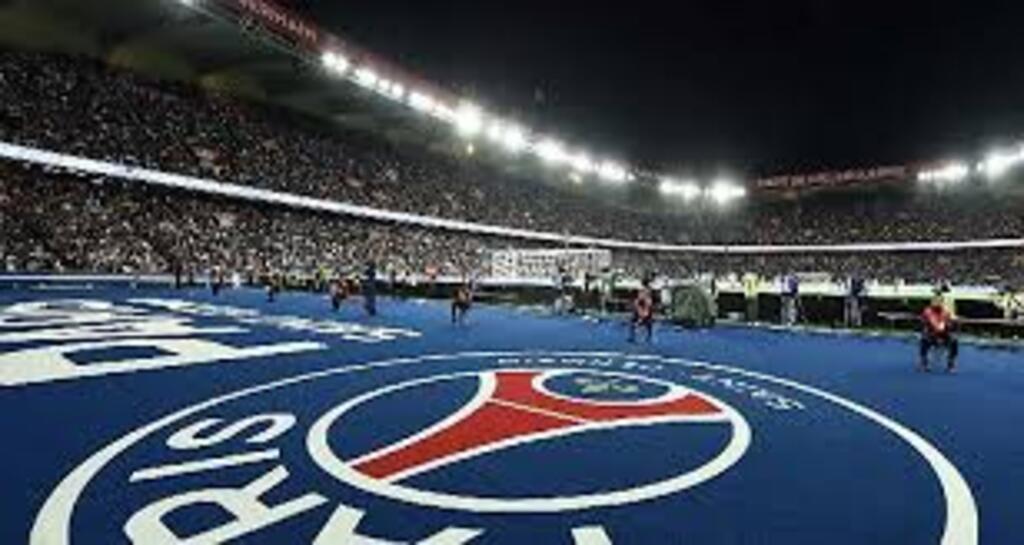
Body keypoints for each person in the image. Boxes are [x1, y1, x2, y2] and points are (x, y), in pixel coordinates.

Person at [919, 295, 958, 372]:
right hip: (931, 334)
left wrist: (952, 322)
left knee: (954, 340)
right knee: (924, 339)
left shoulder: (946, 312)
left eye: (939, 301)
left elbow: (950, 326)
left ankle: (951, 364)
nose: (936, 303)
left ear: (942, 303)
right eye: (935, 301)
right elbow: (924, 324)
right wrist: (929, 332)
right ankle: (924, 363)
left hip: (944, 334)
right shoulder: (927, 311)